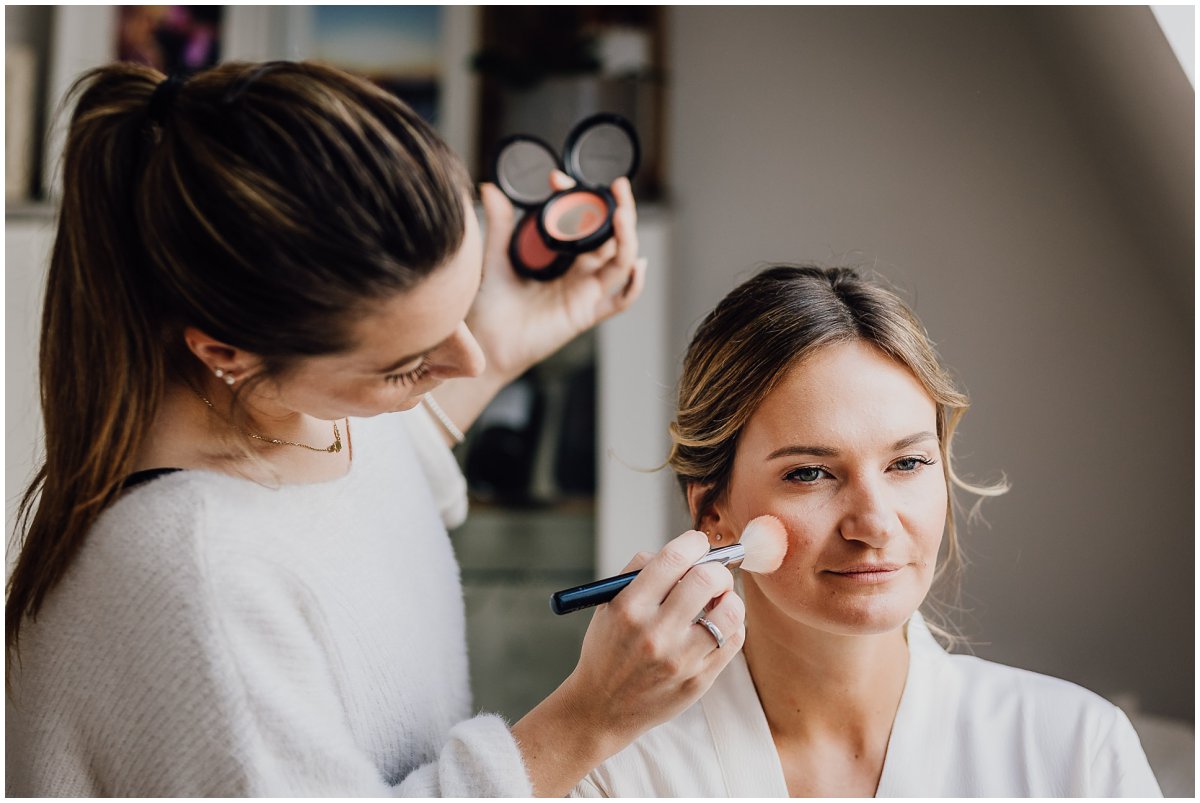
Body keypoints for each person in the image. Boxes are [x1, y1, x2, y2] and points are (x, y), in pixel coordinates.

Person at [5, 61, 747, 796]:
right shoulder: (197, 583)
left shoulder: (296, 416)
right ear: (225, 352)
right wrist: (591, 717)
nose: (472, 357)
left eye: (462, 306)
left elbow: (376, 484)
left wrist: (512, 329)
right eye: (408, 363)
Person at [575, 265, 1162, 797]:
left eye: (906, 463)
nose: (874, 524)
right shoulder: (617, 768)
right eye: (809, 473)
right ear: (712, 512)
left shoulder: (1076, 751)